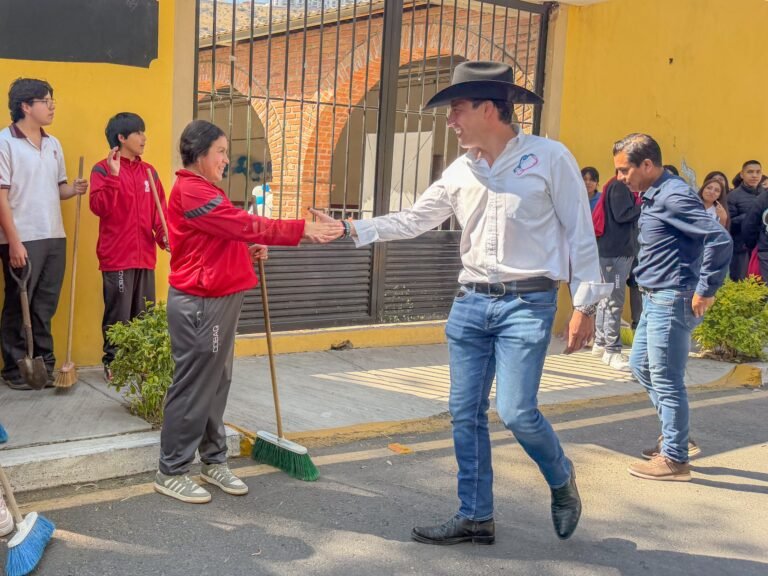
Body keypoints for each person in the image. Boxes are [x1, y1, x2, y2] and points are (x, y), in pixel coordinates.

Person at [315, 61, 610, 543]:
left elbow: (580, 233)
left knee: (516, 411)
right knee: (464, 412)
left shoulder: (549, 158)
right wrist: (350, 227)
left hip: (527, 303)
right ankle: (475, 516)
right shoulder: (460, 170)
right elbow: (413, 220)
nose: (449, 122)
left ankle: (561, 477)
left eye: (456, 110)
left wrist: (585, 306)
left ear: (490, 109)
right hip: (471, 302)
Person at [155, 120, 343, 504]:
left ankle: (212, 460)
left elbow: (220, 239)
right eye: (221, 151)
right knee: (193, 386)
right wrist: (299, 230)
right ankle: (171, 469)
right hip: (202, 303)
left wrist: (246, 249)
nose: (226, 159)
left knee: (216, 382)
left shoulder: (207, 190)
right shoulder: (191, 191)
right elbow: (241, 223)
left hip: (219, 298)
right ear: (200, 153)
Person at [613, 134, 731, 481]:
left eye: (624, 170)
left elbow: (719, 238)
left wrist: (706, 289)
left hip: (673, 296)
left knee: (666, 378)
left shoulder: (675, 196)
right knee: (641, 366)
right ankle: (676, 435)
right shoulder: (656, 194)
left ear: (646, 165)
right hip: (654, 295)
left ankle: (675, 459)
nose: (621, 178)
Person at [0, 78, 88, 390]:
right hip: (22, 237)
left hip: (54, 235)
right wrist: (13, 241)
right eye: (45, 101)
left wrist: (73, 190)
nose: (51, 107)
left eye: (51, 101)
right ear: (26, 106)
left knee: (44, 304)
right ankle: (13, 368)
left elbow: (57, 189)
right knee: (17, 303)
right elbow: (2, 197)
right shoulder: (5, 143)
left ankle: (44, 365)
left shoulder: (53, 144)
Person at [90, 113, 168, 382]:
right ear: (121, 138)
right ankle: (113, 362)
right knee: (118, 315)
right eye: (138, 133)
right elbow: (99, 208)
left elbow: (160, 213)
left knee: (143, 315)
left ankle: (139, 363)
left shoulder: (150, 172)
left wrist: (164, 237)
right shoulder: (102, 169)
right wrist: (113, 177)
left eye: (143, 132)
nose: (144, 138)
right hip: (117, 257)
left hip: (145, 256)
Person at [592, 177, 640, 371]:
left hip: (610, 251)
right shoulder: (620, 186)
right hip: (617, 252)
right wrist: (646, 205)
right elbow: (622, 215)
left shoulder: (614, 185)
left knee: (606, 298)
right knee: (615, 301)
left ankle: (601, 342)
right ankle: (612, 350)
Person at [727, 160, 763, 281]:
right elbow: (728, 224)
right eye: (750, 172)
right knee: (741, 283)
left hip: (762, 249)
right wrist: (749, 216)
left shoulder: (765, 195)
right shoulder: (733, 196)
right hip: (740, 248)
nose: (754, 175)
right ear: (742, 174)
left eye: (758, 172)